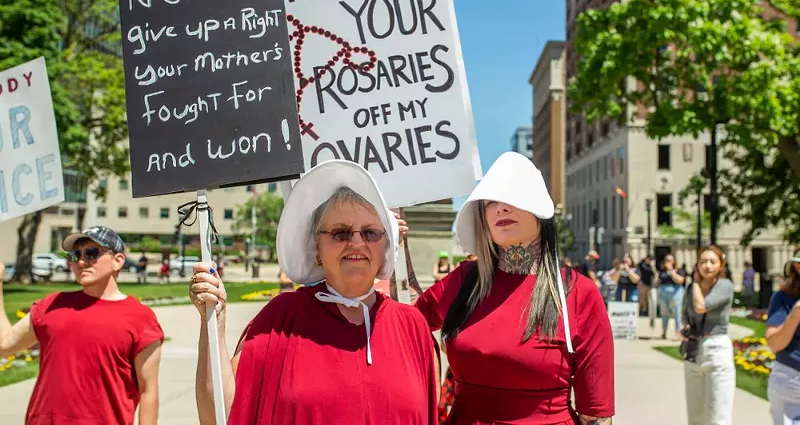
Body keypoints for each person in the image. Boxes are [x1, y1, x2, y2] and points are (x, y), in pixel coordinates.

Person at [191, 160, 437, 425]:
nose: (356, 242)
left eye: (370, 233)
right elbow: (220, 414)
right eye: (340, 232)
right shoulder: (283, 317)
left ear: (386, 247)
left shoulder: (412, 325)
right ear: (317, 249)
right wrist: (214, 322)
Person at [415, 152, 614, 424]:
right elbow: (405, 324)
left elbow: (595, 413)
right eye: (491, 201)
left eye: (513, 197)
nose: (501, 208)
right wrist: (390, 245)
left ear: (540, 210)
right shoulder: (463, 280)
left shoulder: (579, 292)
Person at [0, 226, 164, 424]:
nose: (80, 261)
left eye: (91, 253)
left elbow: (148, 391)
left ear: (118, 260)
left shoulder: (141, 318)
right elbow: (4, 345)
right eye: (74, 254)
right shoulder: (50, 306)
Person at [682, 244, 735, 425]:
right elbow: (686, 315)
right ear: (697, 264)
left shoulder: (725, 286)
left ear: (721, 265)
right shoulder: (690, 289)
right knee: (695, 416)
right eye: (703, 261)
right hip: (694, 351)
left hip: (717, 350)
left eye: (713, 261)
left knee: (718, 416)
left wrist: (696, 282)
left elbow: (701, 306)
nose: (708, 266)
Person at [765, 248, 800, 424]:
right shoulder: (783, 299)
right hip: (792, 381)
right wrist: (796, 313)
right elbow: (774, 344)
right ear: (797, 266)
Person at [658, 253, 686, 339]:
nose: (668, 262)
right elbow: (658, 280)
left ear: (674, 261)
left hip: (675, 293)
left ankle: (678, 333)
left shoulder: (679, 270)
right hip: (663, 293)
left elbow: (680, 280)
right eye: (666, 260)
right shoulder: (662, 271)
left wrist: (671, 271)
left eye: (670, 260)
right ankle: (664, 332)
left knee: (677, 313)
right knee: (664, 313)